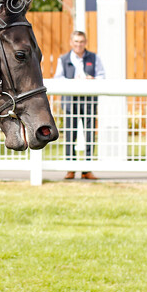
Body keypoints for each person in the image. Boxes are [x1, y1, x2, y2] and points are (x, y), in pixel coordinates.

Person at [54, 30, 106, 180]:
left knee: (89, 135)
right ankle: (70, 168)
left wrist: (92, 80)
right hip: (70, 102)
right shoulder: (63, 59)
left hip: (89, 101)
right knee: (70, 134)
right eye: (76, 42)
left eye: (81, 42)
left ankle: (87, 169)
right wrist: (72, 82)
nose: (79, 45)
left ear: (85, 43)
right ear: (71, 43)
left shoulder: (94, 58)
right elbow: (58, 79)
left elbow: (102, 77)